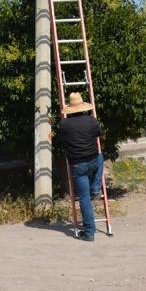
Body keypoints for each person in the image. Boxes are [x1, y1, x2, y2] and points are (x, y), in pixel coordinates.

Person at [57, 92, 104, 242]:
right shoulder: (91, 120)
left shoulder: (64, 124)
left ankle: (89, 233)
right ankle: (96, 188)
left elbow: (62, 140)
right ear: (82, 107)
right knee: (101, 157)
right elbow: (99, 134)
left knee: (84, 198)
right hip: (93, 159)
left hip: (77, 164)